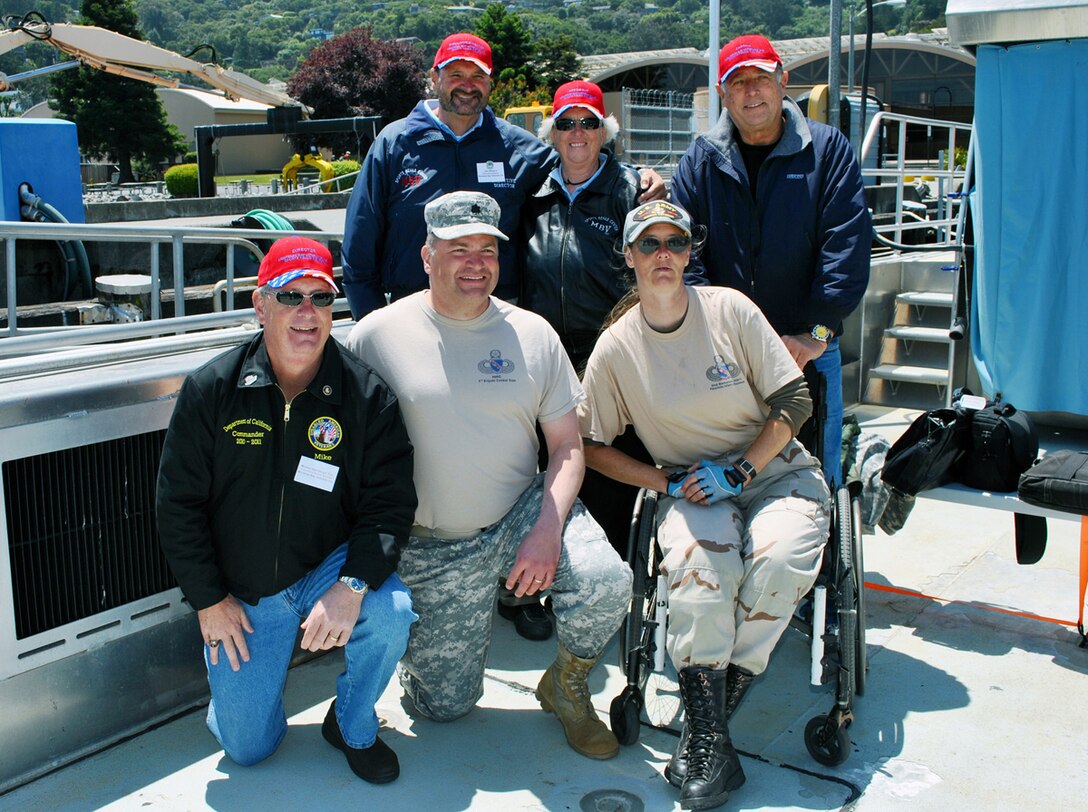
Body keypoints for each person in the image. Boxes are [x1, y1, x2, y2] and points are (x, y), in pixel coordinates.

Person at [344, 191, 633, 761]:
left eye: (487, 249)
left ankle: (567, 684)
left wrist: (549, 527)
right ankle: (424, 654)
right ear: (427, 256)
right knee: (444, 709)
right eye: (458, 249)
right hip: (433, 543)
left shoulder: (533, 333)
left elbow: (567, 445)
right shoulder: (375, 336)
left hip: (522, 510)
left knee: (606, 579)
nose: (476, 263)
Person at [578, 200, 831, 810]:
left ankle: (703, 736)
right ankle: (715, 743)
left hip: (772, 473)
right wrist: (662, 482)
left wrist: (742, 469)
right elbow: (587, 445)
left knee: (777, 562)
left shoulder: (731, 311)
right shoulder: (616, 348)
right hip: (691, 486)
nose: (662, 254)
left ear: (691, 252)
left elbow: (794, 401)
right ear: (629, 256)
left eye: (675, 242)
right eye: (648, 244)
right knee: (700, 570)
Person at [156, 237, 418, 784]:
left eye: (320, 298)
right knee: (246, 748)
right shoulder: (211, 390)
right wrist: (209, 601)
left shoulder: (368, 396)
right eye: (290, 295)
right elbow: (177, 506)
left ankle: (350, 721)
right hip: (247, 591)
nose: (306, 312)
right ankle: (239, 702)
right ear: (260, 304)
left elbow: (390, 504)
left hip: (328, 563)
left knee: (390, 611)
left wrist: (350, 586)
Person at [341, 32, 664, 321]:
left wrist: (638, 178)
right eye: (456, 74)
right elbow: (359, 250)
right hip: (412, 315)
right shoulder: (394, 144)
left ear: (490, 83)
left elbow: (579, 159)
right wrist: (372, 327)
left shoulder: (517, 147)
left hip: (496, 316)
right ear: (434, 77)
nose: (468, 85)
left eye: (478, 76)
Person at [670, 34, 872, 489]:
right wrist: (720, 336)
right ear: (723, 93)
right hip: (725, 355)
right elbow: (686, 253)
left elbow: (846, 248)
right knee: (726, 464)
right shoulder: (700, 160)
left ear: (783, 80)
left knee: (817, 472)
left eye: (761, 78)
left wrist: (816, 333)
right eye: (737, 82)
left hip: (809, 348)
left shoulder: (828, 151)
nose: (751, 91)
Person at [519, 79, 652, 560]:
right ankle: (537, 579)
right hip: (545, 355)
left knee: (606, 463)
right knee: (543, 467)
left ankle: (611, 572)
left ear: (605, 131)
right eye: (567, 123)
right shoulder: (530, 191)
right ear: (553, 132)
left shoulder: (632, 190)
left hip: (611, 355)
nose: (577, 132)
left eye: (588, 123)